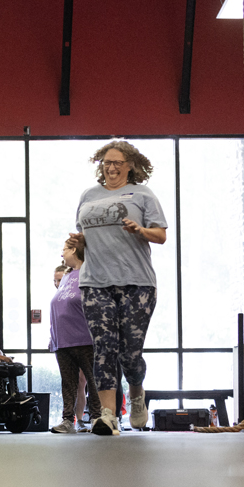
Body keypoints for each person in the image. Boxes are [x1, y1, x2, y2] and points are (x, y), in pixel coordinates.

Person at [68, 140, 167, 436]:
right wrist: (79, 242)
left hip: (136, 283)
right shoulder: (88, 196)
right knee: (104, 348)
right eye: (107, 163)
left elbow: (160, 235)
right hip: (95, 282)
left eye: (118, 163)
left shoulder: (143, 195)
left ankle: (136, 393)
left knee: (130, 353)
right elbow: (86, 239)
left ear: (130, 166)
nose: (111, 168)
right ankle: (108, 415)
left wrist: (140, 230)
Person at [49, 240, 102, 434]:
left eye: (64, 250)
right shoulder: (67, 276)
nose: (62, 254)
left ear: (74, 250)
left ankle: (97, 418)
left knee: (93, 380)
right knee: (68, 382)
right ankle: (66, 420)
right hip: (62, 340)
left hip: (84, 338)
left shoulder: (90, 274)